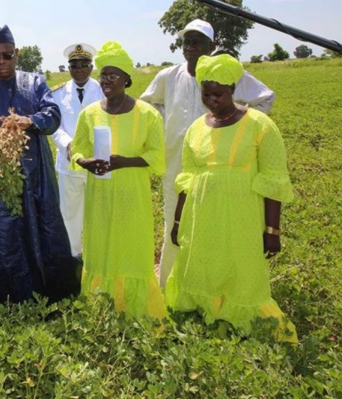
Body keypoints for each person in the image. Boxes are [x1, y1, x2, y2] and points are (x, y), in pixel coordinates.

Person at [165, 54, 297, 343]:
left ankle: (245, 322)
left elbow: (274, 180)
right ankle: (204, 313)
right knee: (204, 263)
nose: (211, 100)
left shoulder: (259, 125)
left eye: (218, 94)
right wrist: (177, 221)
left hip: (243, 214)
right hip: (201, 215)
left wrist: (272, 231)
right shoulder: (196, 128)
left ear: (233, 90)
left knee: (241, 268)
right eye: (206, 93)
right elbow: (187, 179)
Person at [140, 19, 277, 287]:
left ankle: (209, 285)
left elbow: (266, 97)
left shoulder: (228, 74)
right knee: (173, 225)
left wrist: (241, 125)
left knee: (211, 226)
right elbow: (147, 104)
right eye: (186, 41)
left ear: (211, 46)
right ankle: (169, 286)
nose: (190, 47)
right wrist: (165, 121)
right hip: (175, 166)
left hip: (214, 170)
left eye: (197, 41)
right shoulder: (168, 76)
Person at [0, 25, 80, 304]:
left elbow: (53, 115)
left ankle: (53, 294)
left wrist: (30, 121)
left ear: (17, 53)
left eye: (7, 55)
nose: (1, 61)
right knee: (3, 238)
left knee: (44, 232)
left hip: (37, 178)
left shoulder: (35, 83)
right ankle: (9, 297)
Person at [70, 41, 166, 321]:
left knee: (131, 249)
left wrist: (124, 161)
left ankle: (137, 311)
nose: (106, 80)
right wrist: (84, 162)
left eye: (113, 74)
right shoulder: (89, 113)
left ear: (126, 78)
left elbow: (156, 157)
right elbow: (77, 150)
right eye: (103, 75)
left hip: (131, 195)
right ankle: (102, 309)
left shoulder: (147, 114)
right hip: (99, 195)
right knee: (101, 249)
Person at [51, 43, 104, 258]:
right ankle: (73, 260)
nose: (79, 69)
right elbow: (54, 126)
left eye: (84, 65)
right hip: (68, 164)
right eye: (74, 65)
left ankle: (96, 259)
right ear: (68, 68)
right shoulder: (58, 93)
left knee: (98, 214)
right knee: (69, 215)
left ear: (91, 67)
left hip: (96, 162)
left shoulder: (103, 90)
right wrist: (67, 144)